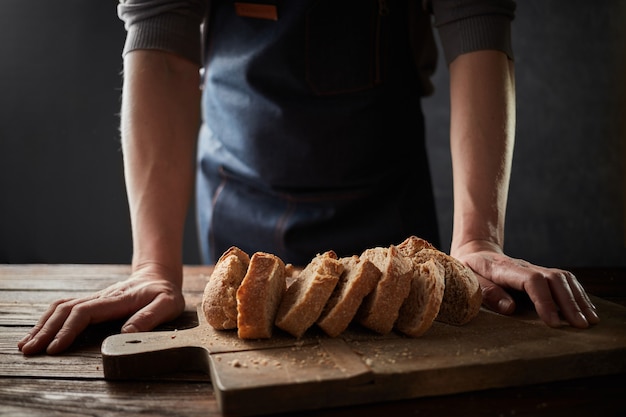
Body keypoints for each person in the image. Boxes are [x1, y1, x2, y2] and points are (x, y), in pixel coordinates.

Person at [18, 0, 599, 356]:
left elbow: (475, 17)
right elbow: (160, 33)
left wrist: (477, 239)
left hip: (388, 191)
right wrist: (152, 265)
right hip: (237, 189)